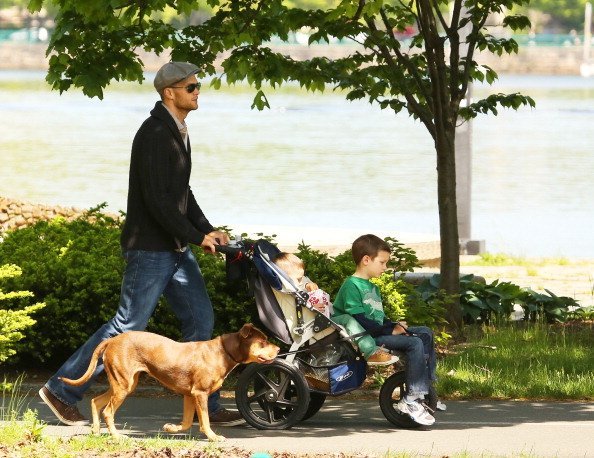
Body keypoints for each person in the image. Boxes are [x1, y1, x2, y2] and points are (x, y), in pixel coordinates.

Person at [39, 61, 244, 427]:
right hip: (150, 247)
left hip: (176, 248)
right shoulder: (153, 133)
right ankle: (60, 390)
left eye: (198, 86)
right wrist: (196, 237)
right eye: (192, 87)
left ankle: (204, 407)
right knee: (127, 323)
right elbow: (156, 200)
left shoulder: (178, 130)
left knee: (200, 319)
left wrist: (208, 230)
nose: (198, 92)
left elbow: (182, 193)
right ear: (170, 92)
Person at [332, 234, 443, 426]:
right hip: (366, 337)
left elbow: (378, 317)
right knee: (415, 343)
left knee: (425, 332)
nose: (385, 267)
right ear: (366, 260)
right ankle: (411, 400)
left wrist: (395, 325)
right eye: (382, 262)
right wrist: (391, 330)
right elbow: (360, 321)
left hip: (379, 331)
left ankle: (424, 387)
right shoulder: (351, 285)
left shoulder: (371, 287)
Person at [272, 252, 399, 366]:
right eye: (299, 278)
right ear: (287, 277)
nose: (303, 280)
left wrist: (306, 284)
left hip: (319, 318)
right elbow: (295, 299)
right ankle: (370, 352)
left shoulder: (296, 282)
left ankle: (372, 347)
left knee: (346, 319)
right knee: (347, 319)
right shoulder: (285, 289)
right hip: (309, 325)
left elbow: (302, 284)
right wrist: (310, 305)